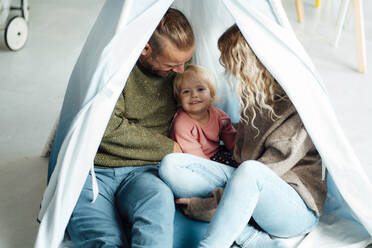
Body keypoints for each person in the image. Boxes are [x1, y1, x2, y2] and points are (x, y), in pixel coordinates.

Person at [159, 24, 327, 248]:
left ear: (248, 64)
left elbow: (264, 170)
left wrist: (208, 205)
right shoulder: (253, 99)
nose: (230, 74)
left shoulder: (296, 103)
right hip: (249, 183)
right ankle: (254, 239)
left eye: (232, 65)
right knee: (170, 165)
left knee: (251, 171)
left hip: (295, 206)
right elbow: (240, 153)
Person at [66, 8, 194, 248]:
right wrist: (168, 147)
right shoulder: (114, 67)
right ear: (145, 49)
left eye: (185, 61)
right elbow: (105, 128)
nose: (181, 71)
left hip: (144, 170)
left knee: (156, 214)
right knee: (104, 239)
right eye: (173, 63)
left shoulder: (181, 67)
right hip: (93, 171)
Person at [171, 64, 237, 166]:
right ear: (179, 100)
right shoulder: (182, 124)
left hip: (215, 155)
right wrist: (213, 168)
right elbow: (195, 156)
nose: (194, 95)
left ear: (211, 95)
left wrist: (239, 155)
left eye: (200, 89)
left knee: (239, 161)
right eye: (186, 91)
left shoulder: (219, 116)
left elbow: (232, 142)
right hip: (192, 160)